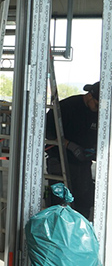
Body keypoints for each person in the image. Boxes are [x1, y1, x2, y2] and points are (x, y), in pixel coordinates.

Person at [45, 81, 99, 219]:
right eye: (97, 105)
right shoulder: (68, 107)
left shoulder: (99, 114)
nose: (98, 109)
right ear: (89, 96)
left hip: (82, 163)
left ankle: (80, 228)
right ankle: (55, 227)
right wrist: (69, 145)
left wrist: (92, 150)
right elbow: (47, 131)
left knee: (84, 198)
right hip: (59, 158)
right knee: (58, 198)